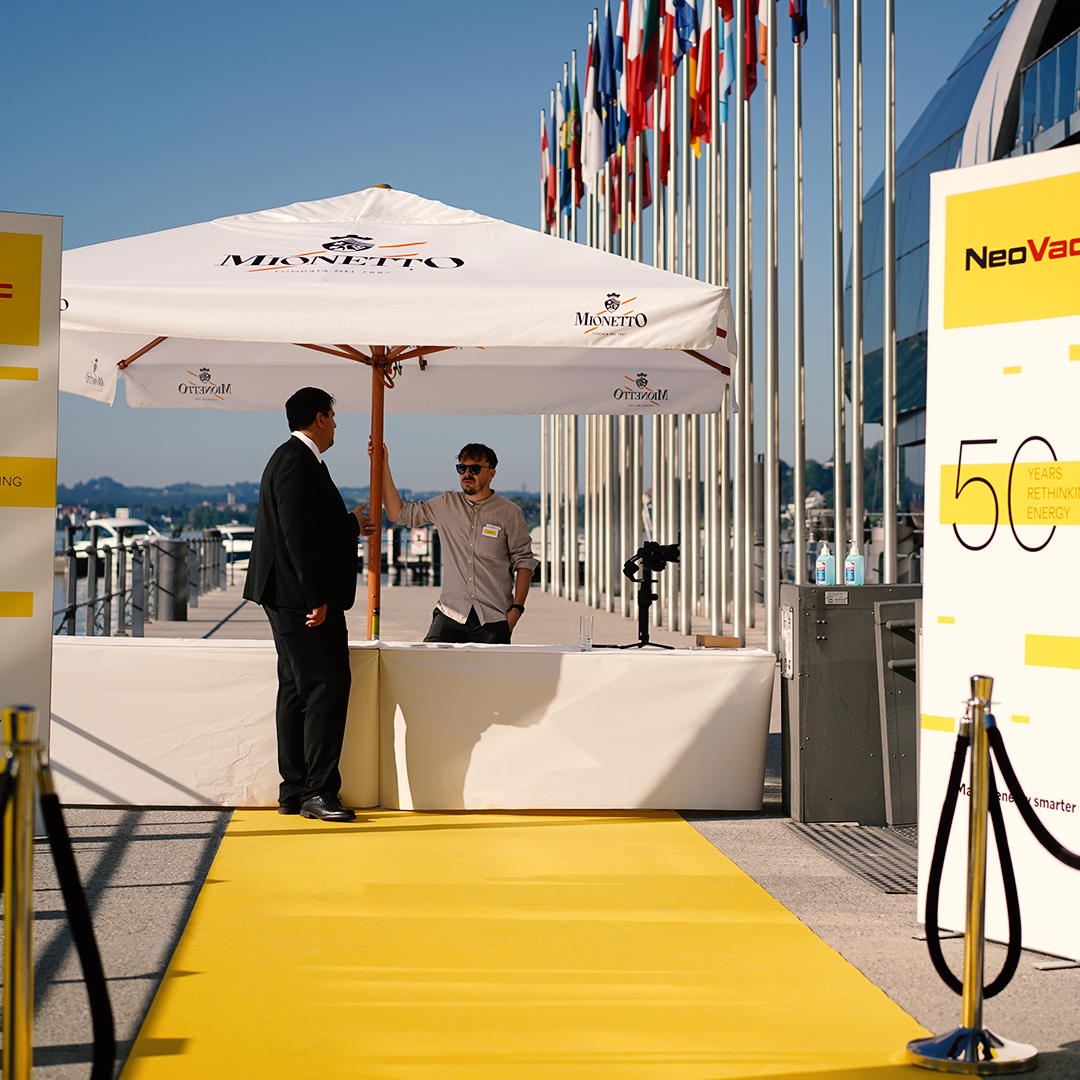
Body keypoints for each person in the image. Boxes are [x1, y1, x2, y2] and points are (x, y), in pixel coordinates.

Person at [245, 387, 373, 822]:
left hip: (286, 594)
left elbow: (310, 525)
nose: (336, 425)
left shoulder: (292, 459)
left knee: (297, 687)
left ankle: (295, 789)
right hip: (300, 598)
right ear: (319, 418)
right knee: (326, 686)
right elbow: (295, 534)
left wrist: (349, 525)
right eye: (333, 417)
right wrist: (316, 597)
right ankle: (318, 790)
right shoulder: (297, 461)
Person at [376, 441, 537, 643]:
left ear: (491, 473)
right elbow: (397, 514)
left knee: (491, 667)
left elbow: (524, 562)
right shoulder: (445, 505)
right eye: (462, 468)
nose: (467, 474)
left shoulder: (510, 514)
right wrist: (383, 466)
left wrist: (516, 610)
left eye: (474, 469)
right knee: (426, 661)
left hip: (493, 619)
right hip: (450, 613)